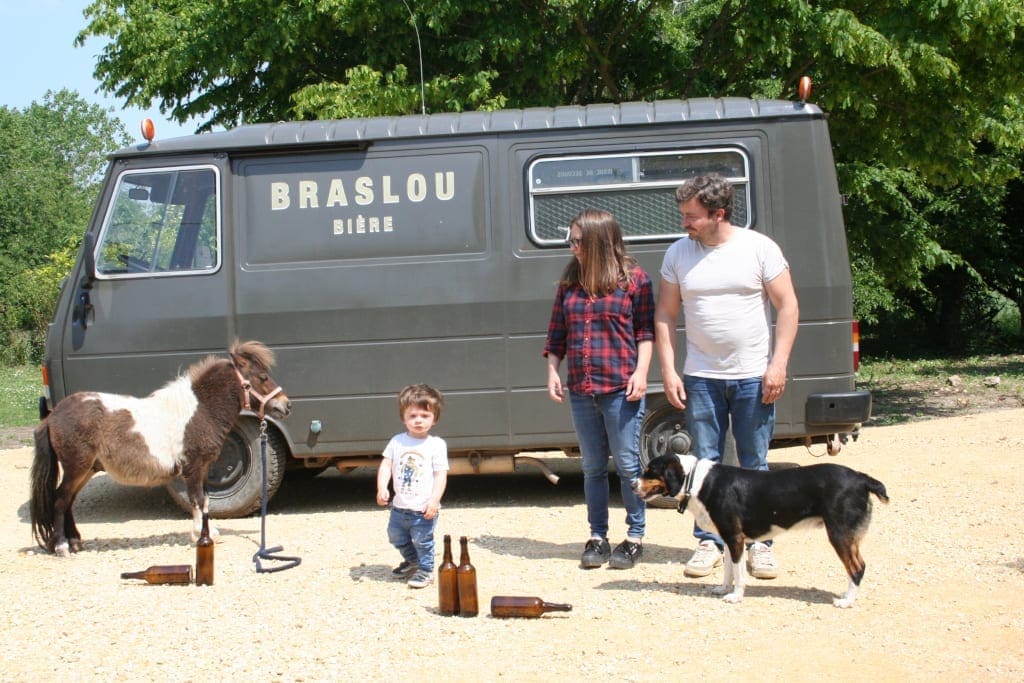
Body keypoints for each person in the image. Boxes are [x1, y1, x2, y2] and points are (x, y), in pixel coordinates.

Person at [654, 174, 799, 580]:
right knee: (704, 464)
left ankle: (760, 544)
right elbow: (665, 314)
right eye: (683, 215)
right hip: (701, 376)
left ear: (719, 214)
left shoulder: (759, 248)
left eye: (692, 216)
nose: (684, 223)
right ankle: (709, 540)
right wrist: (668, 369)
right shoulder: (678, 254)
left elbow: (788, 306)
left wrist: (779, 364)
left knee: (754, 463)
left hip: (754, 375)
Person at [544, 209, 654, 570]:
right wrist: (552, 371)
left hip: (620, 386)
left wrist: (641, 372)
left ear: (599, 240)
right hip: (582, 387)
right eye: (571, 241)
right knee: (591, 466)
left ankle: (635, 537)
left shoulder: (634, 280)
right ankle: (598, 536)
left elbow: (645, 332)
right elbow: (557, 332)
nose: (573, 247)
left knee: (626, 464)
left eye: (579, 240)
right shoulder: (570, 282)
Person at [376, 383, 449, 588]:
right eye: (413, 416)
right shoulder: (397, 442)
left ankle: (426, 571)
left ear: (434, 418)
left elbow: (440, 475)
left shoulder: (436, 445)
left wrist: (434, 500)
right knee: (395, 536)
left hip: (423, 508)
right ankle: (412, 561)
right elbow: (386, 465)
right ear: (403, 418)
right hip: (400, 506)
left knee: (422, 541)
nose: (418, 420)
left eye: (425, 416)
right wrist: (382, 487)